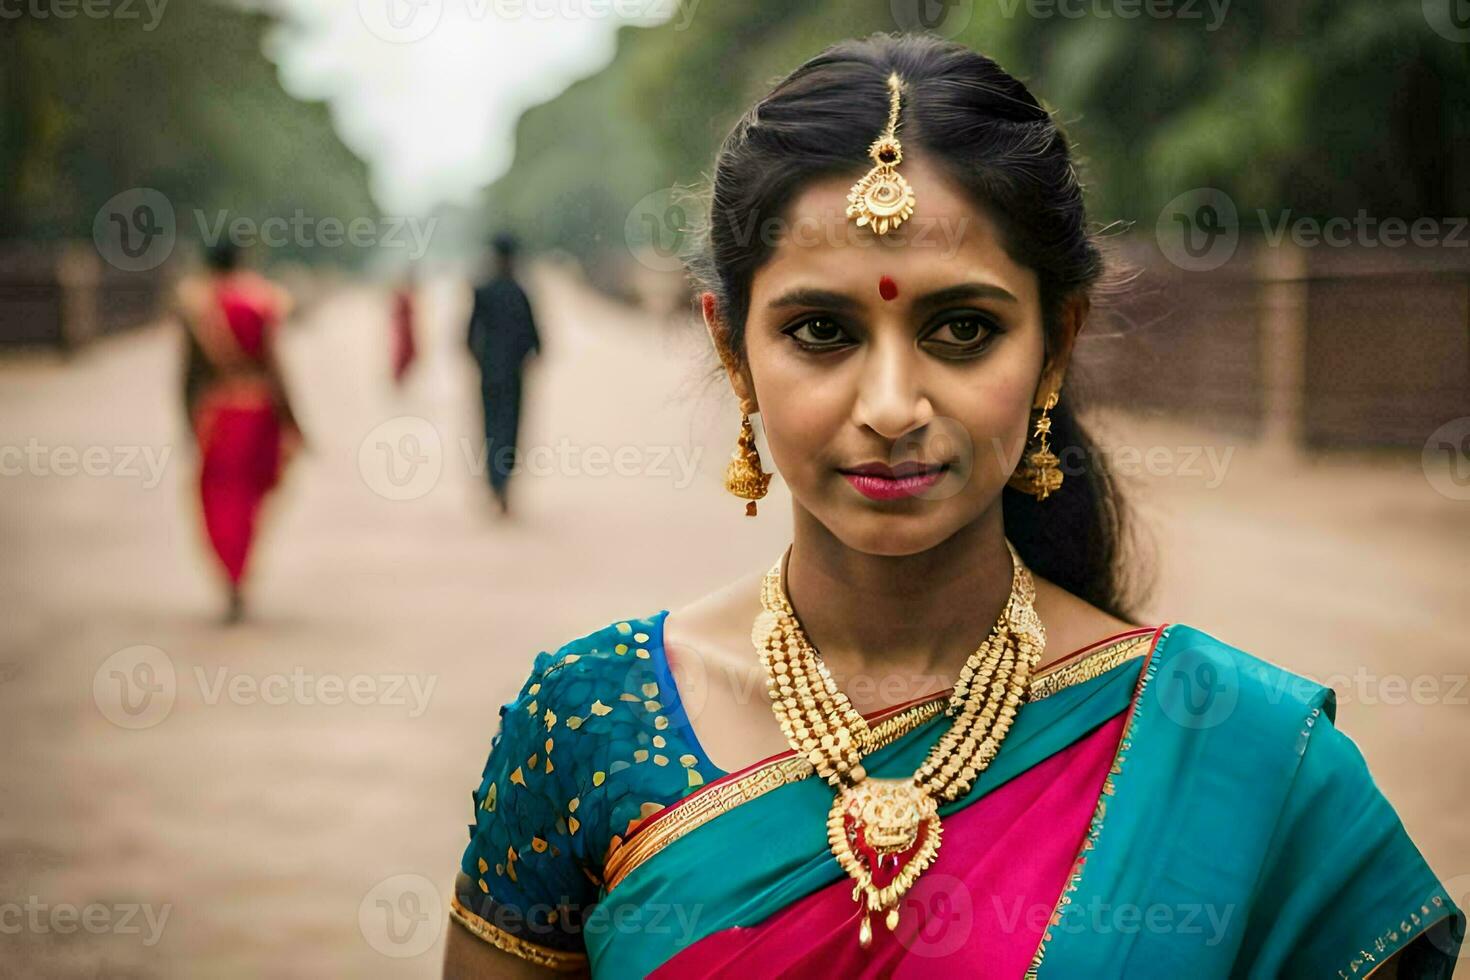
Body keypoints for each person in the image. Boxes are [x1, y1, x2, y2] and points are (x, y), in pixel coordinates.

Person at [442, 35, 1464, 978]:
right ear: (731, 347)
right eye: (821, 331)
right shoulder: (593, 722)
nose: (892, 407)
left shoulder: (1245, 760)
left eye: (964, 328)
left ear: (1057, 342)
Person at [175, 241, 302, 624]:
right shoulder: (261, 302)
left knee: (218, 497)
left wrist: (188, 420)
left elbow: (188, 375)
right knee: (249, 498)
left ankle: (231, 577)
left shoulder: (199, 307)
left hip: (218, 415)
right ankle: (241, 571)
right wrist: (294, 421)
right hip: (260, 411)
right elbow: (276, 368)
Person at [467, 232, 541, 515]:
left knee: (490, 430)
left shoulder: (482, 291)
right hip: (514, 377)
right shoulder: (521, 293)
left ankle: (495, 484)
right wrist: (525, 362)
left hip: (489, 376)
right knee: (510, 432)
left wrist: (481, 364)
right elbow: (536, 339)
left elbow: (468, 337)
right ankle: (504, 484)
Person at [391, 263, 418, 388]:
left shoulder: (406, 293)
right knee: (405, 354)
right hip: (403, 331)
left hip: (407, 330)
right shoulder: (402, 294)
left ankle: (402, 380)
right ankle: (399, 381)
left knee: (410, 354)